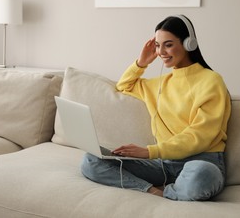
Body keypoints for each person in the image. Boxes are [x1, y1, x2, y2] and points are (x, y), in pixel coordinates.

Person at [81, 15, 231, 201]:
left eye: (168, 44)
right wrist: (141, 62)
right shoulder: (158, 84)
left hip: (200, 160)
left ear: (188, 43)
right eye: (158, 45)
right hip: (163, 165)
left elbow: (200, 135)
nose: (161, 52)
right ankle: (154, 191)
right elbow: (124, 86)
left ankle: (173, 190)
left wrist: (150, 151)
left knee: (202, 174)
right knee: (91, 160)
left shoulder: (211, 80)